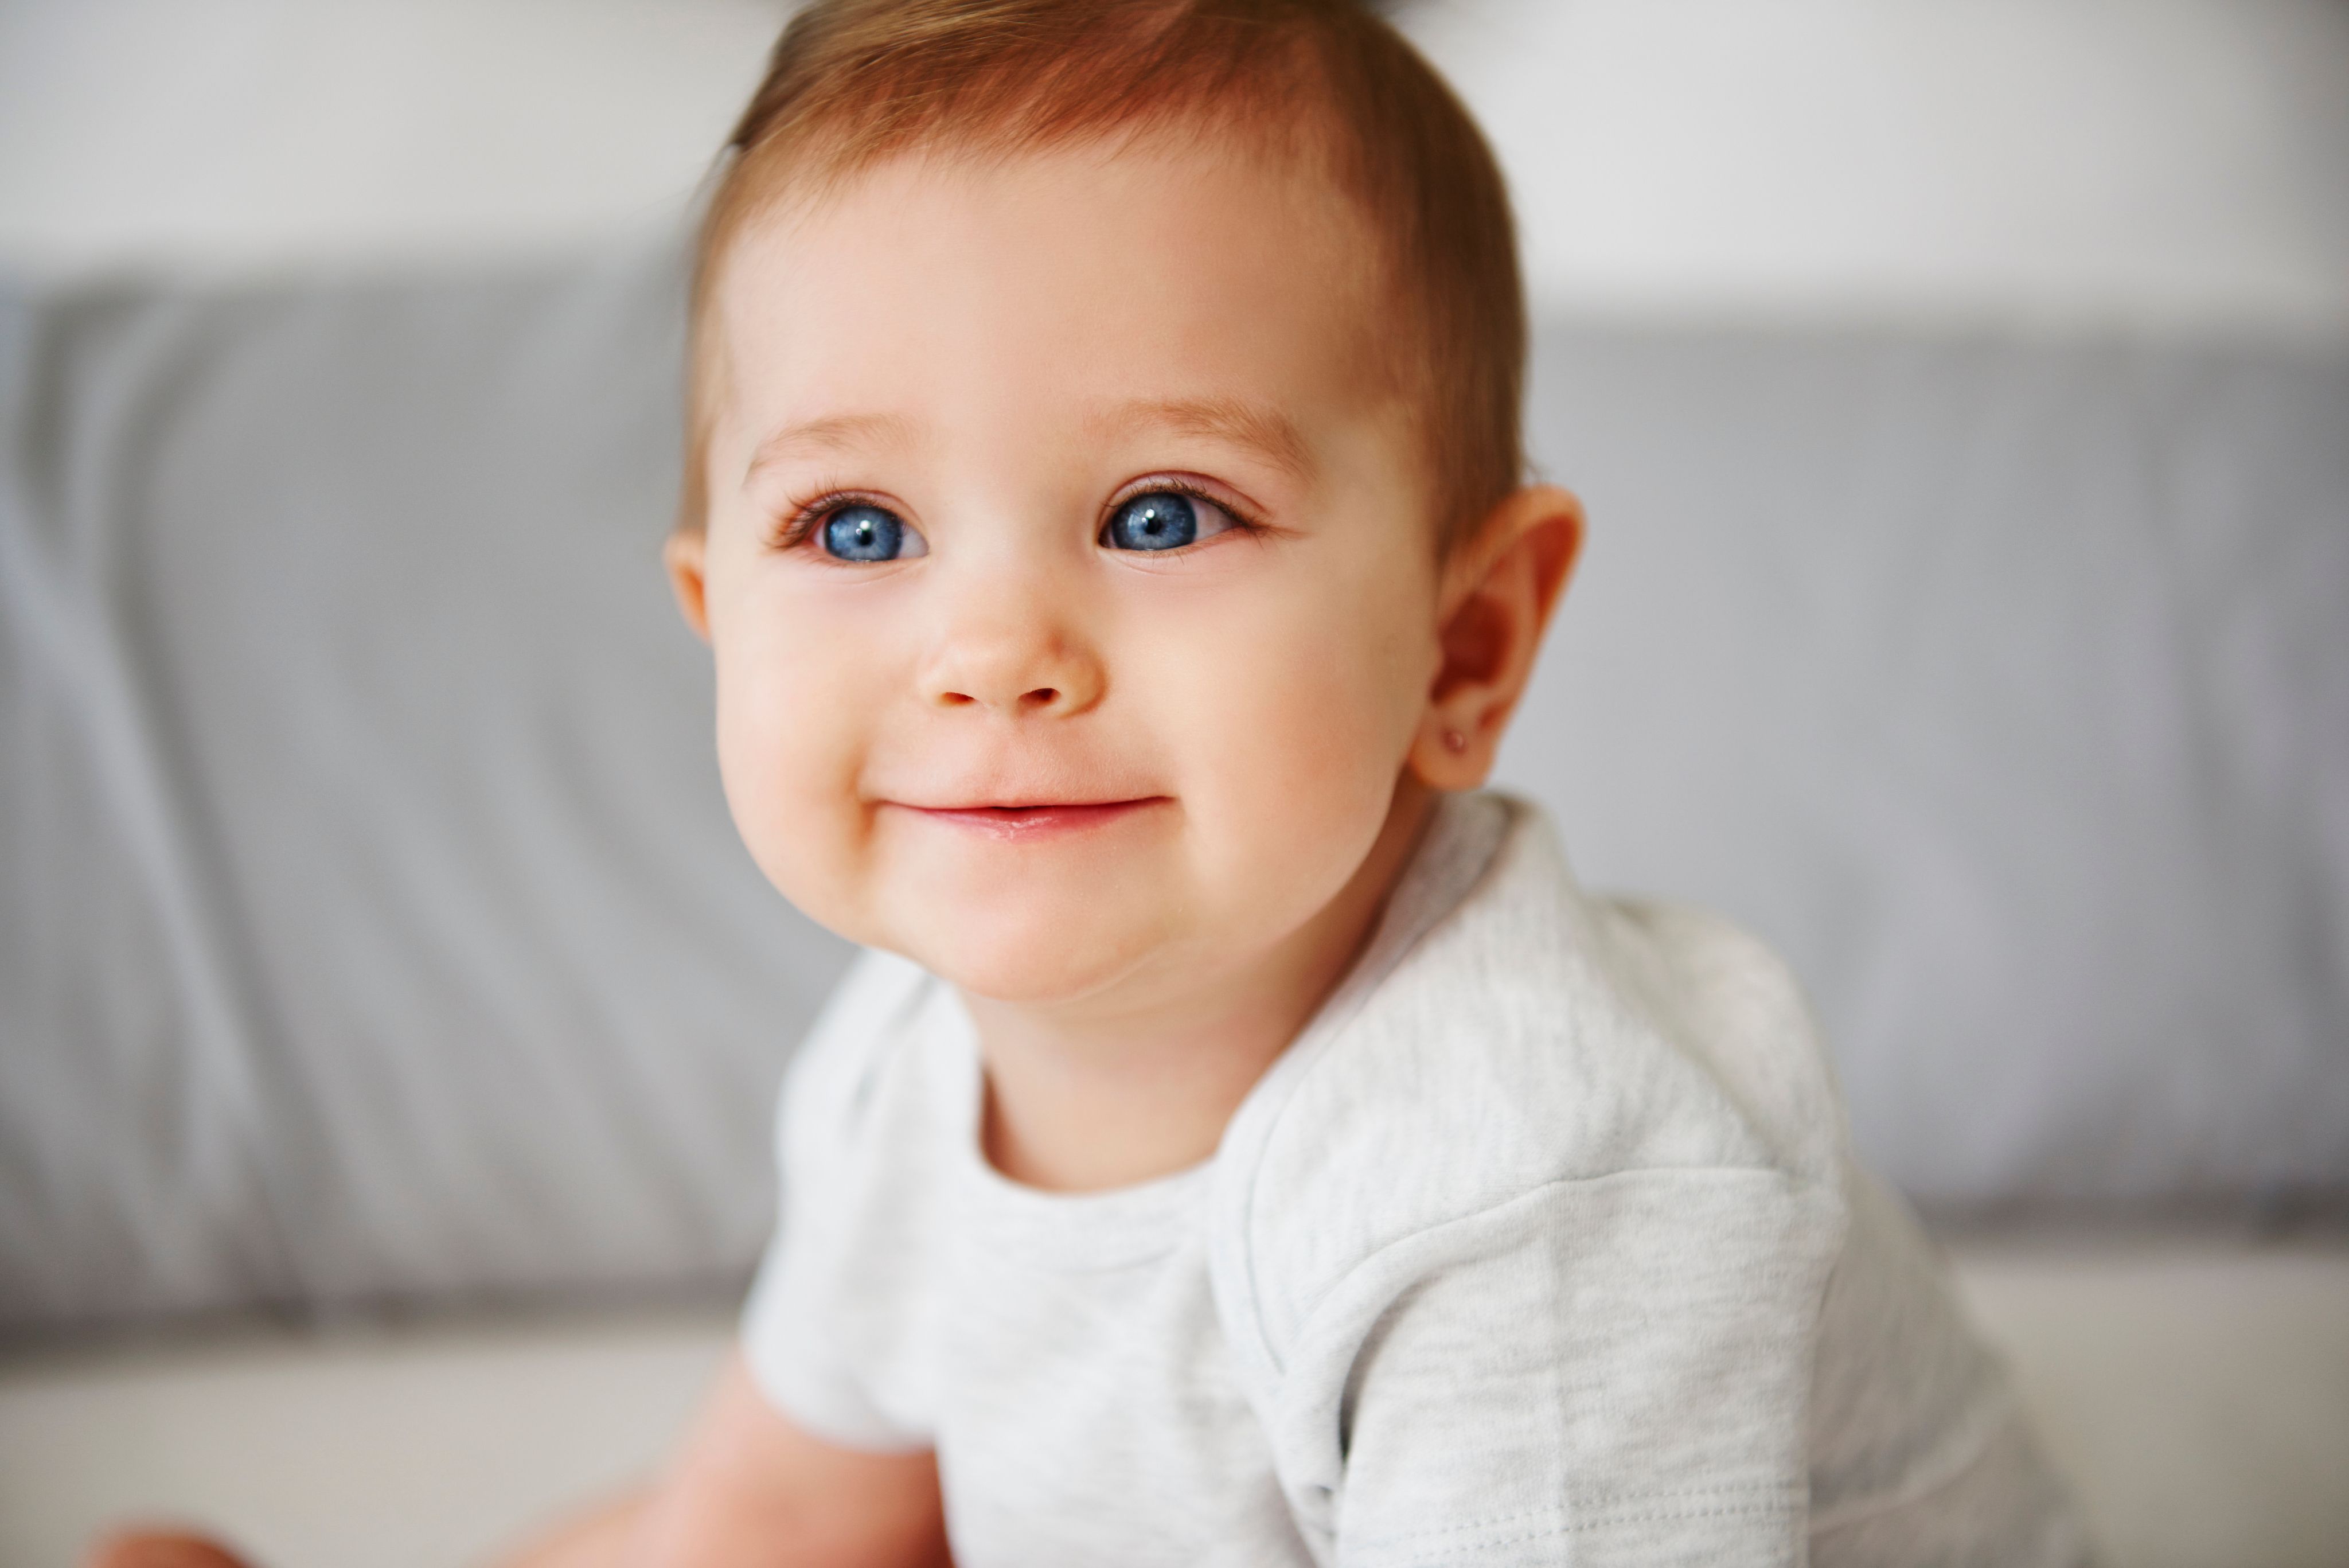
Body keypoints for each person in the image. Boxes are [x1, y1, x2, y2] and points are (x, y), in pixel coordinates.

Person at [95, 1, 2092, 1564]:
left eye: (1161, 509)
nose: (990, 649)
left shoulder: (1531, 1189)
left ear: (1464, 647)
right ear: (716, 618)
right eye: (859, 530)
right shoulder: (909, 1070)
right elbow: (780, 1524)